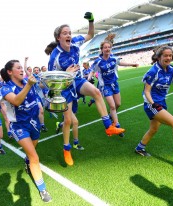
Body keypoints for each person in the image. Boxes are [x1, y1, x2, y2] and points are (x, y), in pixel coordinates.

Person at [46, 12, 125, 166]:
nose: (69, 35)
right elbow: (50, 80)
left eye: (69, 32)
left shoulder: (75, 42)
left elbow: (90, 34)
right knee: (68, 120)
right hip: (64, 87)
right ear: (58, 38)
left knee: (96, 92)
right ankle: (67, 150)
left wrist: (91, 21)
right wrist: (65, 74)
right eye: (65, 33)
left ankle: (108, 127)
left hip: (78, 80)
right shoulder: (55, 56)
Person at [134, 45, 173, 167]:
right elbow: (146, 91)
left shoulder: (172, 70)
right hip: (151, 104)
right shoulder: (153, 71)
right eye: (165, 55)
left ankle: (139, 148)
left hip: (161, 103)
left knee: (154, 129)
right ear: (159, 57)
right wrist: (153, 104)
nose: (168, 57)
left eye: (170, 55)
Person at [0, 60, 52, 203]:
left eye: (21, 67)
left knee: (31, 153)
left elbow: (43, 86)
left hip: (34, 123)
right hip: (19, 126)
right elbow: (16, 101)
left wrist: (58, 80)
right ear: (10, 72)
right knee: (34, 157)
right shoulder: (6, 88)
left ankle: (27, 161)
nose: (22, 70)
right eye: (18, 68)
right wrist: (29, 85)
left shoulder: (27, 81)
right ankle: (43, 189)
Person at [89, 33, 139, 137]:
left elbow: (120, 63)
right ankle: (116, 125)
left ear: (111, 48)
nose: (107, 49)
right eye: (105, 47)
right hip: (105, 86)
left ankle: (111, 117)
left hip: (114, 84)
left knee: (118, 104)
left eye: (109, 47)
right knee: (112, 106)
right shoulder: (98, 61)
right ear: (102, 49)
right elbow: (92, 70)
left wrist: (132, 64)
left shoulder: (113, 58)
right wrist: (89, 78)